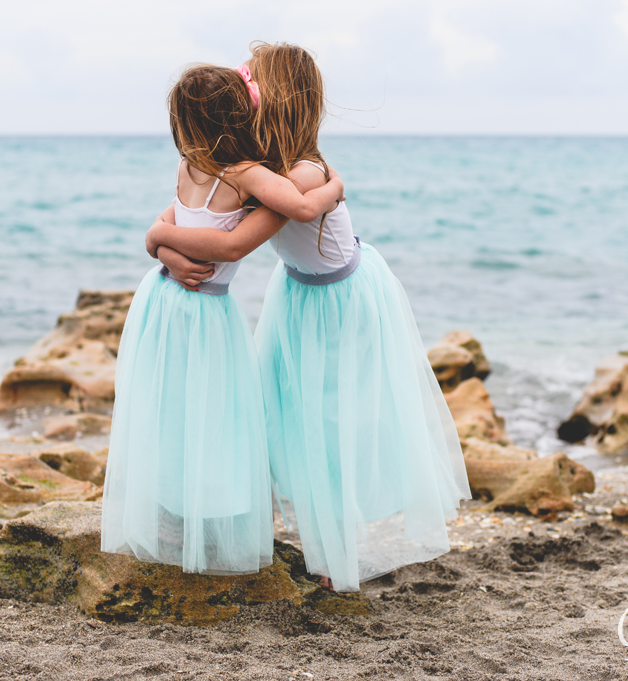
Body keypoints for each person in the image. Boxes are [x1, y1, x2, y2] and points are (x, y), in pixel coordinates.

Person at [146, 43, 470, 591]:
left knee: (331, 423)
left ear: (274, 99)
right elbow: (199, 221)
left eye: (252, 83)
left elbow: (245, 235)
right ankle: (311, 543)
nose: (243, 93)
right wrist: (161, 243)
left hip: (341, 301)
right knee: (290, 418)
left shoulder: (295, 172)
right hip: (299, 294)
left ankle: (332, 557)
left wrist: (160, 239)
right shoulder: (264, 169)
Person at [101, 62, 345, 575]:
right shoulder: (245, 174)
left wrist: (158, 242)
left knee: (173, 409)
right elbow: (287, 215)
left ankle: (178, 517)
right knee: (214, 415)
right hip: (203, 309)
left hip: (162, 301)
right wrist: (335, 187)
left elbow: (170, 220)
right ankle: (200, 521)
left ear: (183, 125)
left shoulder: (188, 166)